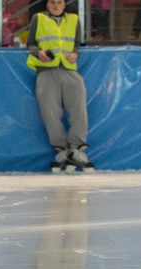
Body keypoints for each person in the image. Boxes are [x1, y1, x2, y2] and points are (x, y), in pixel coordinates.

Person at [25, 0, 93, 173]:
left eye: (59, 2)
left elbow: (77, 44)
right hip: (46, 71)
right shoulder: (38, 18)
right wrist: (38, 53)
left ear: (64, 5)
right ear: (47, 5)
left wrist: (75, 54)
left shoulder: (74, 19)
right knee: (50, 112)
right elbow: (30, 44)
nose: (56, 5)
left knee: (78, 109)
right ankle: (62, 150)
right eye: (52, 2)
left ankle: (76, 149)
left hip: (70, 70)